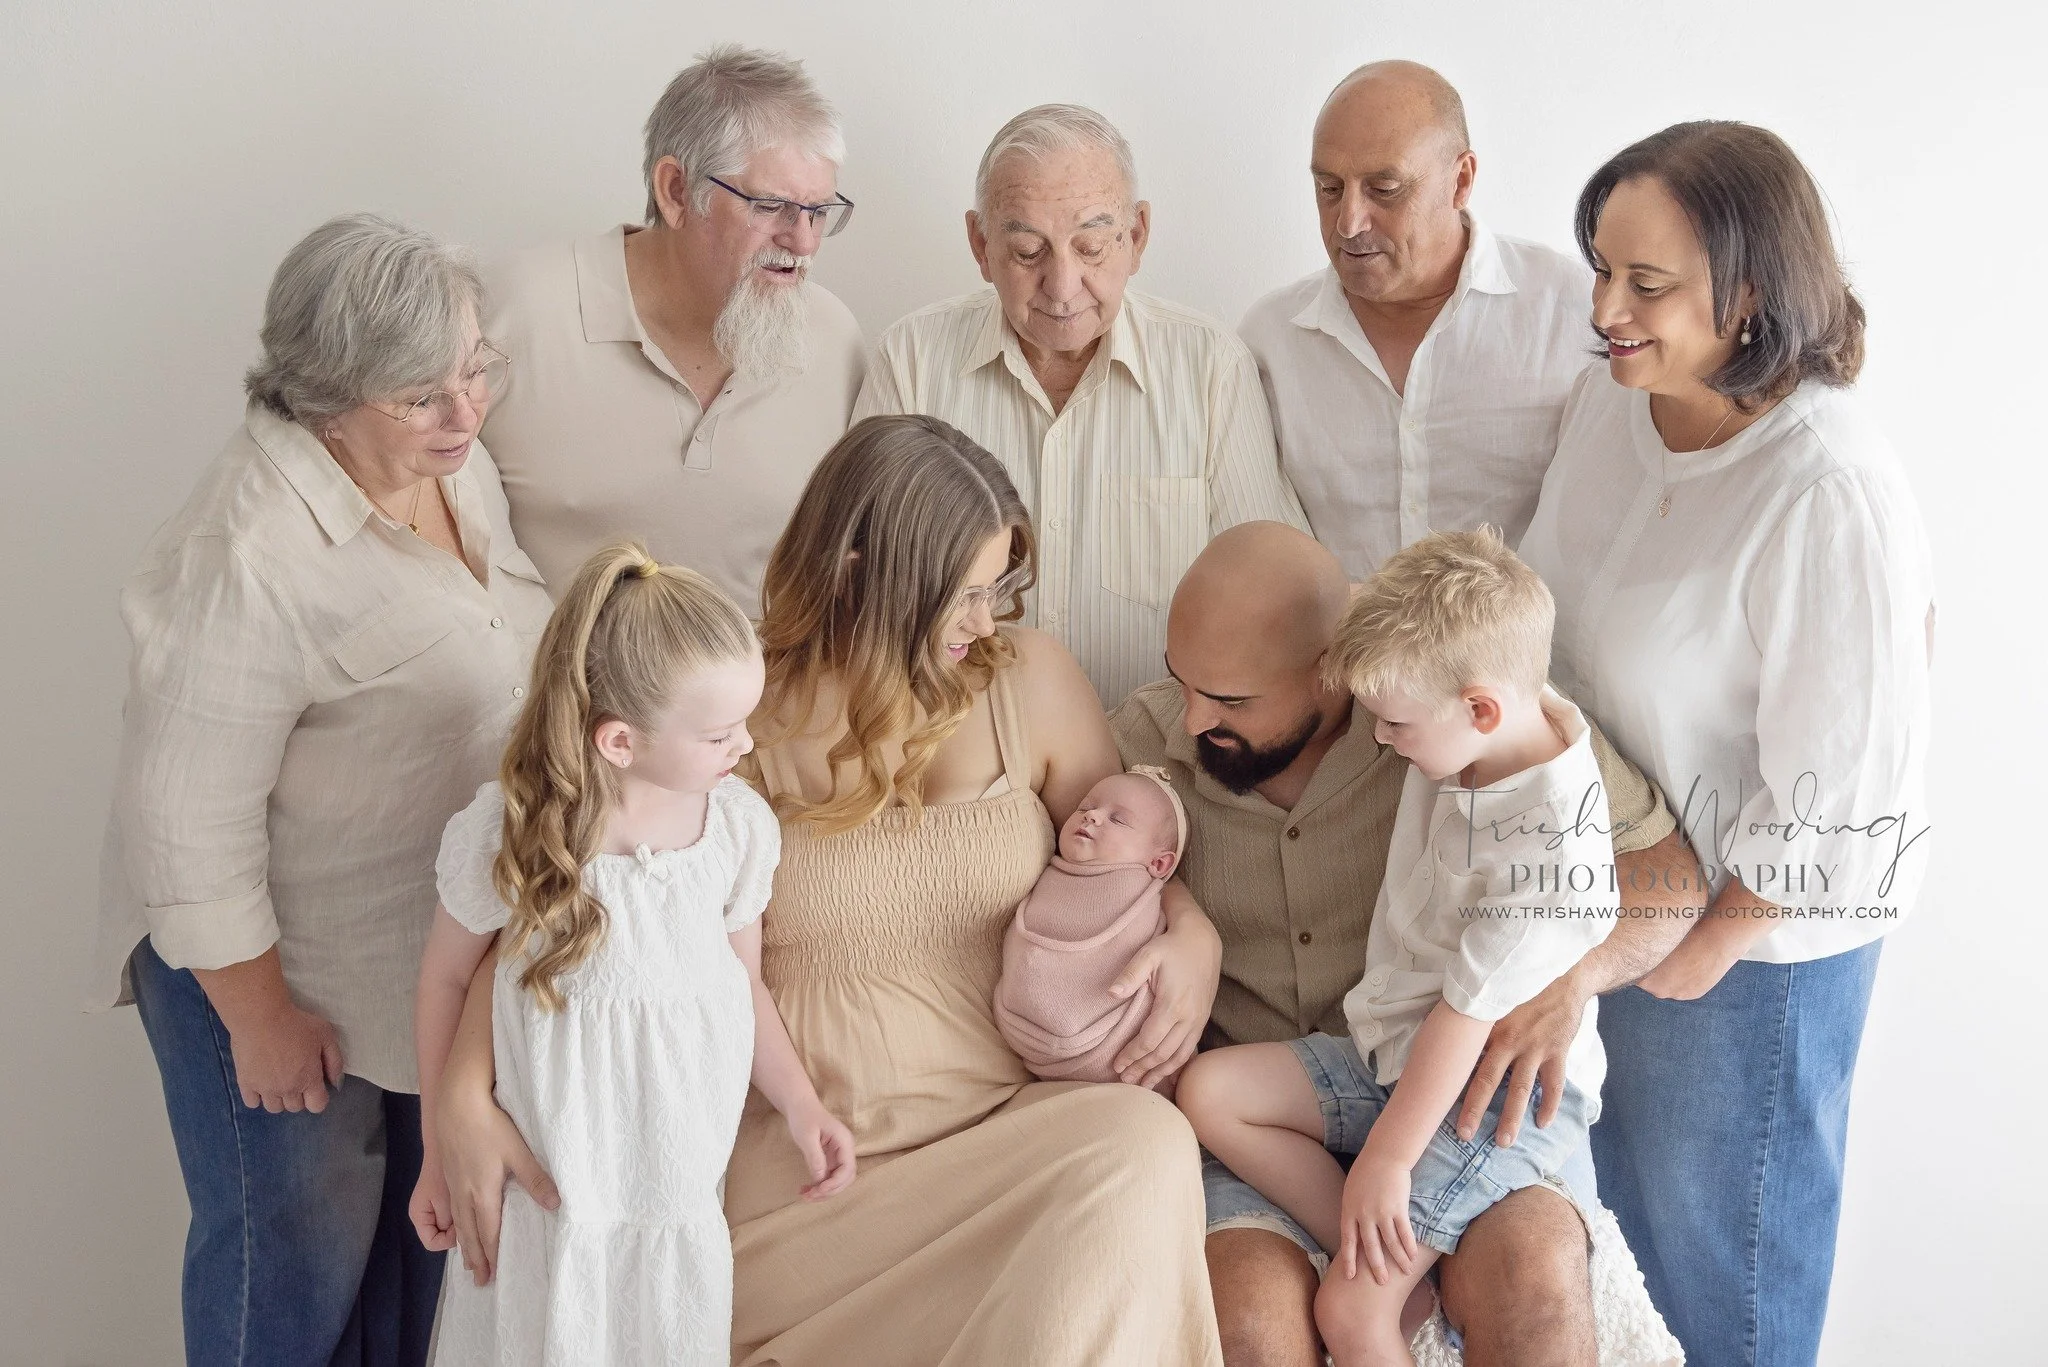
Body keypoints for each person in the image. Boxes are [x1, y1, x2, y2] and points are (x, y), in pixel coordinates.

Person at [431, 414, 1227, 1364]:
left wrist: (1194, 934)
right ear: (861, 572)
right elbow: (574, 914)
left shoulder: (1032, 683)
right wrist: (460, 1098)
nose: (987, 621)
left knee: (1142, 1146)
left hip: (1009, 1135)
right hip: (812, 1169)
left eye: (997, 588)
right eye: (962, 596)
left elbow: (1132, 854)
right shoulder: (728, 717)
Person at [92, 213, 554, 1365]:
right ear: (322, 395)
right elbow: (182, 822)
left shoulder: (446, 461)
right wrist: (260, 1020)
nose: (465, 412)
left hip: (402, 956)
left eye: (472, 369)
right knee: (291, 1278)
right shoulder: (249, 551)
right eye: (422, 396)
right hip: (269, 982)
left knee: (410, 1279)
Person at [1518, 121, 1935, 1367]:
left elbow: (1849, 787)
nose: (1603, 309)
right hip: (1609, 905)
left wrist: (1699, 952)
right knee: (1621, 1292)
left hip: (1744, 955)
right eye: (1599, 268)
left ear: (1749, 296)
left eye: (1645, 286)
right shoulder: (1614, 404)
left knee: (1720, 1301)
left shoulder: (1824, 487)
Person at [1112, 521, 1702, 1367]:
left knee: (1530, 1292)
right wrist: (1184, 917)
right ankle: (1387, 1255)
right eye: (1184, 683)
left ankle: (1384, 1262)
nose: (1194, 716)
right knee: (1250, 1326)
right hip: (1338, 1074)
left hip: (1472, 1092)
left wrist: (1566, 978)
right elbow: (1058, 824)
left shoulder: (1451, 704)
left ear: (1330, 672)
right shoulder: (1154, 729)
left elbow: (1668, 876)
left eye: (1231, 699)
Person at [411, 544, 855, 1364]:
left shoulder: (733, 827)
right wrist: (440, 1144)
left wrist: (801, 1103)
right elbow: (446, 977)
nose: (745, 745)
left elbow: (743, 979)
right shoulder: (509, 832)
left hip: (673, 1194)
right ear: (619, 740)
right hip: (542, 1197)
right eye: (721, 732)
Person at [854, 103, 1308, 703]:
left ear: (1137, 236)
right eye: (1027, 253)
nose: (1062, 287)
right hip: (957, 759)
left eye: (1091, 247)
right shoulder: (910, 361)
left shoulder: (1210, 368)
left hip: (1163, 761)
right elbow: (861, 588)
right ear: (980, 244)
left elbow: (1275, 596)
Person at [479, 44, 865, 602]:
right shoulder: (511, 311)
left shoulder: (835, 339)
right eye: (770, 206)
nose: (803, 241)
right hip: (550, 683)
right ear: (676, 191)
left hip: (767, 685)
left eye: (819, 212)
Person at [1241, 61, 1593, 580]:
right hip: (1333, 661)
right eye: (1329, 187)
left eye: (1385, 189)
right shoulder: (1269, 339)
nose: (1349, 222)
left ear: (1461, 180)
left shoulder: (1573, 313)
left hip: (1528, 661)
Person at [993, 766, 1186, 1087]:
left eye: (1118, 820)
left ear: (1159, 864)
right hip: (1027, 1038)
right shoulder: (1046, 873)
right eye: (1085, 807)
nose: (1092, 816)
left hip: (1119, 1050)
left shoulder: (1140, 890)